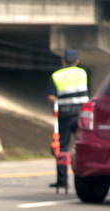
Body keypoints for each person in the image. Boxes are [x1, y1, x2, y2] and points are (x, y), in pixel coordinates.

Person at [46, 49, 89, 188]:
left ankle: (62, 181)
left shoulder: (56, 75)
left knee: (62, 147)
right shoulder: (82, 73)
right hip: (82, 116)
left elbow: (51, 97)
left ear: (63, 60)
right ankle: (85, 177)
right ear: (77, 61)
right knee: (82, 147)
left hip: (64, 117)